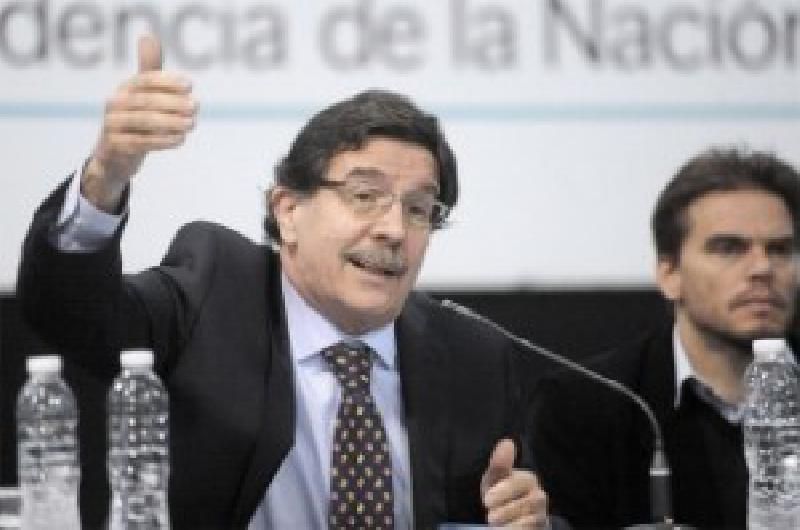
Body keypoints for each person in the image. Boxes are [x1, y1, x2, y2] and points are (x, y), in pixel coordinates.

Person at [17, 35, 550, 529]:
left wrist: (530, 519)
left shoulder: (472, 358)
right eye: (365, 196)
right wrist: (106, 175)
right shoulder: (213, 293)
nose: (393, 230)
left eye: (418, 209)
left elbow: (526, 508)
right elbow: (70, 312)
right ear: (288, 211)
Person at [528, 147, 800, 529]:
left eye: (780, 249)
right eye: (729, 248)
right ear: (669, 273)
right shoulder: (587, 406)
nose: (762, 268)